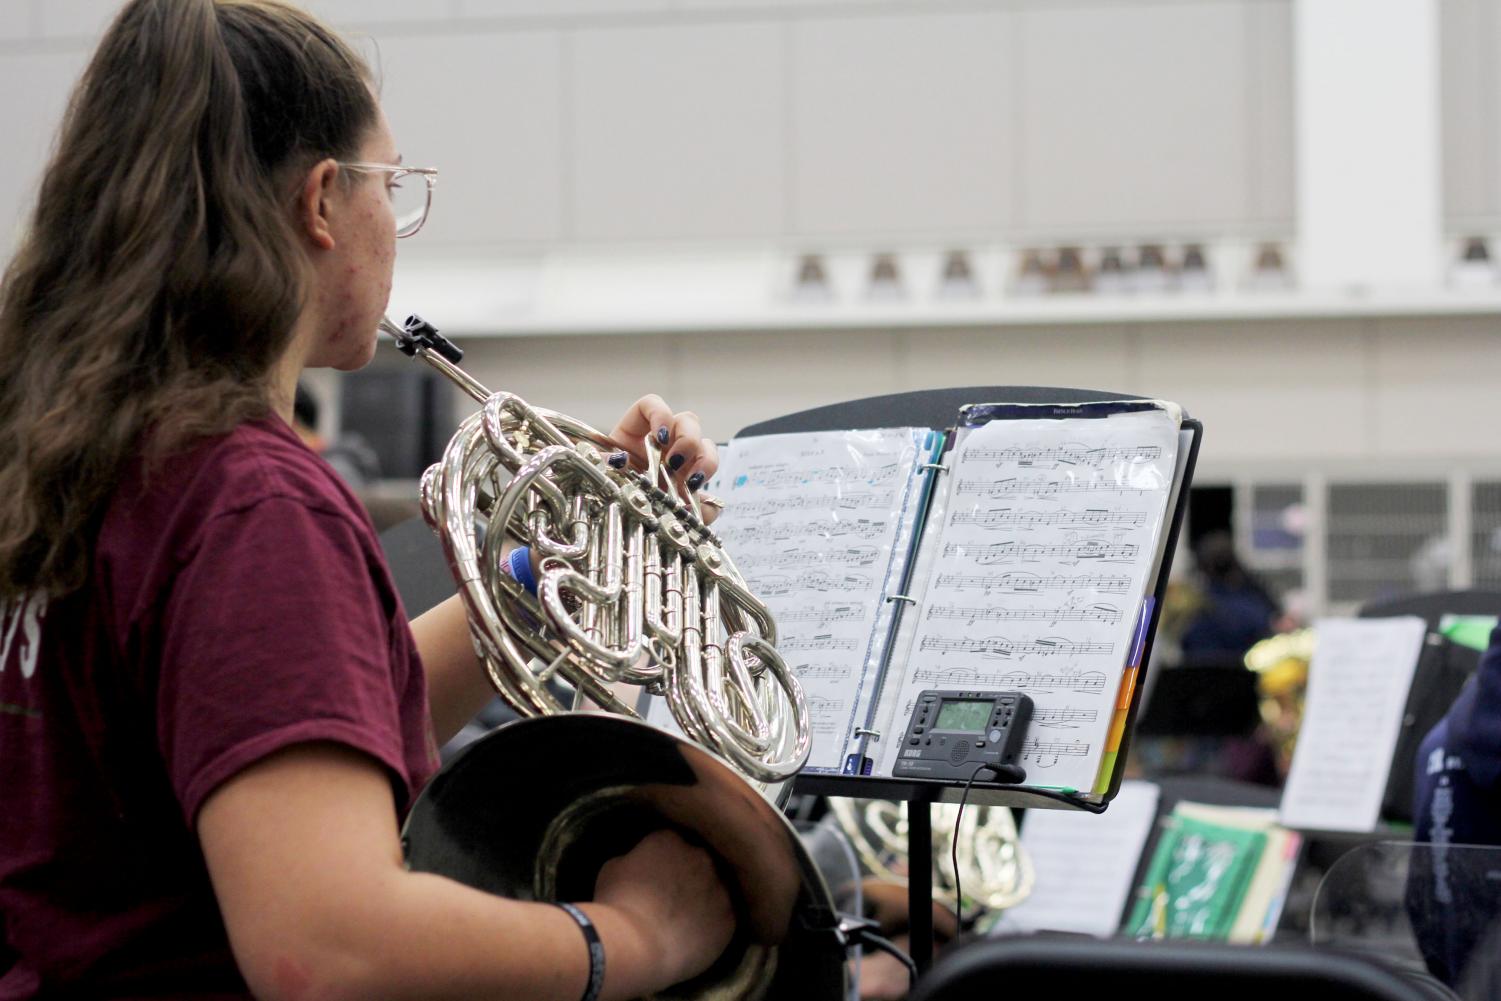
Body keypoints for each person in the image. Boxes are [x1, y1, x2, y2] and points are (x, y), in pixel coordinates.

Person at [0, 2, 731, 998]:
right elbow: (325, 949)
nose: (396, 222)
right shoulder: (251, 501)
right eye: (392, 185)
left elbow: (281, 726)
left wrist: (557, 575)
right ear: (319, 203)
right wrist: (629, 936)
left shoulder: (78, 454)